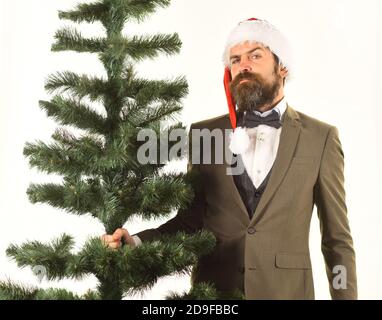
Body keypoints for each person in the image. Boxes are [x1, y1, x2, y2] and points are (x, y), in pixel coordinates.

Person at [101, 18, 357, 299]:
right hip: (214, 295)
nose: (243, 65)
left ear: (283, 66)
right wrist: (135, 242)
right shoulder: (203, 134)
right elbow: (191, 221)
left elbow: (337, 241)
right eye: (235, 60)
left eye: (255, 55)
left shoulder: (320, 138)